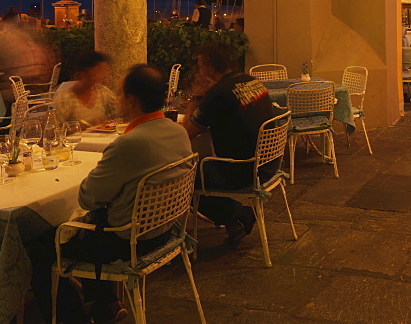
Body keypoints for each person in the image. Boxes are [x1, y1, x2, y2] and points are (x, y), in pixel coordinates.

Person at [29, 65, 192, 323]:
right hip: (164, 231)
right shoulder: (178, 131)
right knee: (88, 226)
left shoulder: (128, 144)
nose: (116, 98)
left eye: (119, 93)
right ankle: (105, 303)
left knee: (38, 243)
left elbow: (87, 198)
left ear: (131, 100)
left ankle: (72, 317)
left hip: (127, 242)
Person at [183, 42, 274, 243]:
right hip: (269, 164)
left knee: (180, 178)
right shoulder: (251, 81)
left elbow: (185, 133)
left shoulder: (218, 93)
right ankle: (235, 219)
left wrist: (197, 95)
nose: (199, 71)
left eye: (200, 66)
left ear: (209, 67)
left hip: (241, 170)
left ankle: (238, 215)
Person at [52, 51, 118, 127]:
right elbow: (53, 130)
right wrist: (85, 125)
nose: (103, 75)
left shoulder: (102, 91)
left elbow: (117, 114)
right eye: (98, 71)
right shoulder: (64, 97)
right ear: (82, 73)